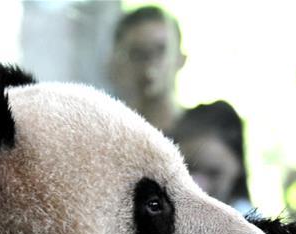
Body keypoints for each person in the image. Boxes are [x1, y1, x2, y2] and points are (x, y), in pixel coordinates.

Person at [108, 6, 186, 134]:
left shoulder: (210, 126)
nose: (150, 63)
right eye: (137, 53)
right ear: (118, 65)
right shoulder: (111, 134)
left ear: (180, 59)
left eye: (161, 50)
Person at [170, 101, 252, 213]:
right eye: (187, 169)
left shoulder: (251, 226)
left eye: (213, 173)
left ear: (238, 167)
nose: (200, 186)